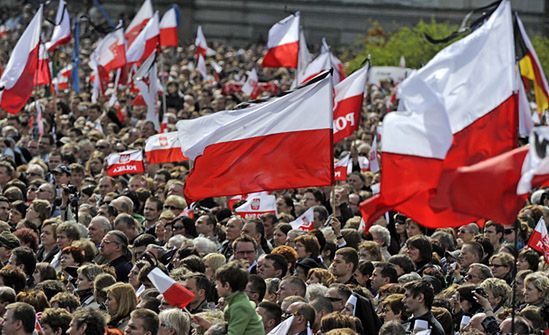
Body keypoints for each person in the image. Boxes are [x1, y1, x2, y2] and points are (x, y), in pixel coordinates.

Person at [195, 261, 265, 335]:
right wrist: (207, 325)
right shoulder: (237, 301)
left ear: (226, 286)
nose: (215, 287)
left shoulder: (240, 306)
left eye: (217, 284)